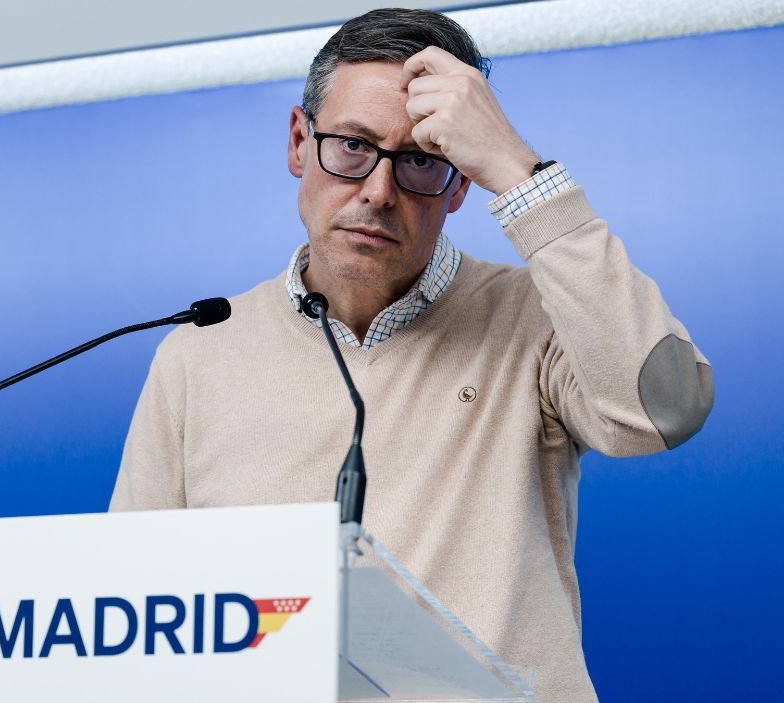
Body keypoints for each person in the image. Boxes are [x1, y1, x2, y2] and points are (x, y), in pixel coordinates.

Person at [109, 8, 713, 702]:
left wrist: (519, 173)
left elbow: (664, 407)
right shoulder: (198, 353)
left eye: (422, 160)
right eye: (352, 147)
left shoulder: (538, 317)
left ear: (461, 184)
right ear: (300, 142)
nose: (377, 190)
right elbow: (132, 614)